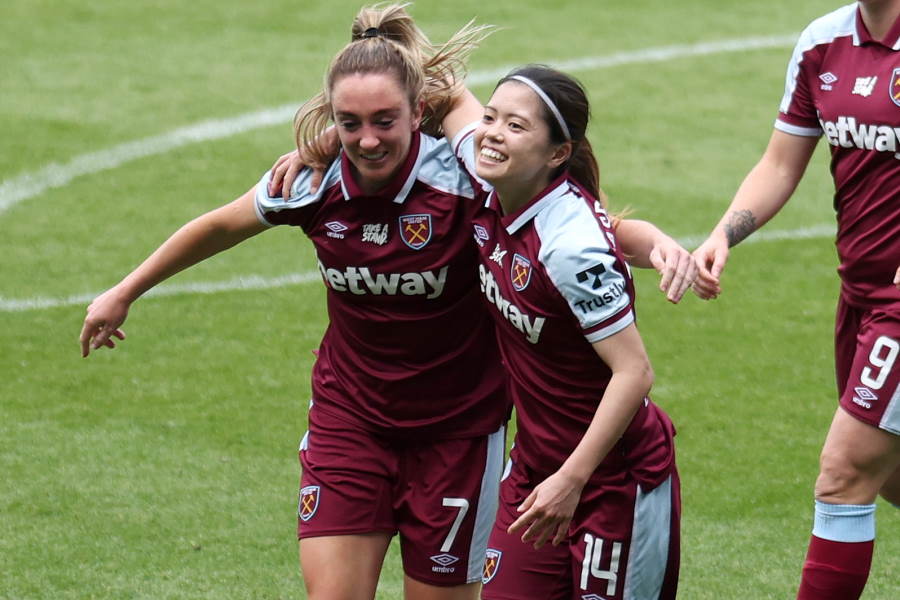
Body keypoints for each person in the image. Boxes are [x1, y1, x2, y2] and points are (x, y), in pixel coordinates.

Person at [83, 5, 693, 600]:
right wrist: (124, 290)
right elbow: (220, 225)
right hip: (351, 421)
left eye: (384, 121)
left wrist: (657, 241)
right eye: (349, 123)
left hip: (458, 435)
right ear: (331, 119)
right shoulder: (313, 181)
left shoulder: (468, 180)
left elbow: (571, 224)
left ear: (415, 114)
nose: (367, 140)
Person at [437, 65, 680, 600]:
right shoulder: (488, 178)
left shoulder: (570, 246)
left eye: (516, 126)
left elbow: (634, 372)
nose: (493, 132)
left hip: (613, 483)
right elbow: (444, 89)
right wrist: (317, 148)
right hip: (535, 470)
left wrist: (573, 480)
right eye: (492, 117)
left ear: (556, 154)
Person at [692, 2, 900, 598]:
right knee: (892, 481)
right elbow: (781, 162)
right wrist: (723, 233)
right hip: (859, 293)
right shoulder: (822, 43)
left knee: (845, 474)